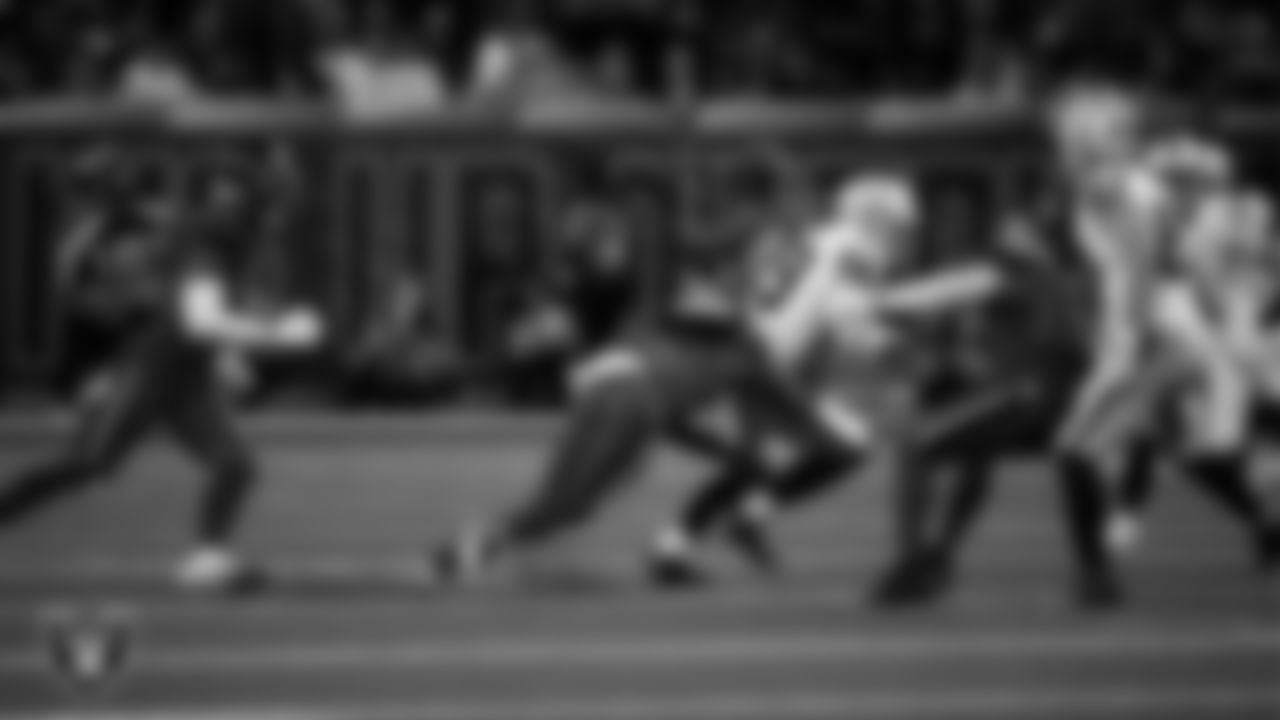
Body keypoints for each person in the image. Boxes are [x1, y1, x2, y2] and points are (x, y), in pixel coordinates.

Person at [0, 163, 325, 594]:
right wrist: (277, 333)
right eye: (279, 203)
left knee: (235, 465)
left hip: (188, 374)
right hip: (153, 369)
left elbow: (209, 315)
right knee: (90, 461)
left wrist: (233, 350)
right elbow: (200, 320)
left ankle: (208, 560)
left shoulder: (237, 239)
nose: (283, 215)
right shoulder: (215, 238)